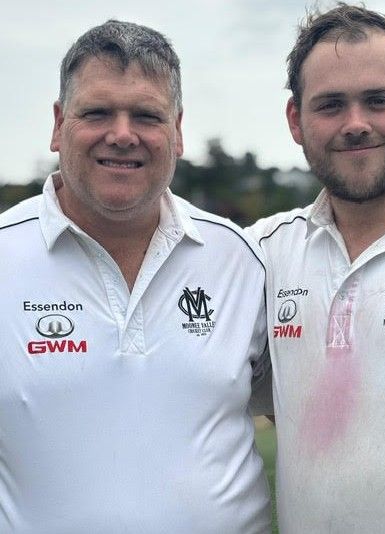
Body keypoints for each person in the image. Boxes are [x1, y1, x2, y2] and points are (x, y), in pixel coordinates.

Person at [0, 20, 271, 533]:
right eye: (97, 112)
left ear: (177, 130)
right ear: (59, 125)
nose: (122, 135)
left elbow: (295, 413)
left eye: (146, 115)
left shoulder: (241, 259)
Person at [249, 3, 385, 533]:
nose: (356, 125)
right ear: (296, 120)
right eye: (331, 105)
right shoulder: (261, 252)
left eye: (379, 101)